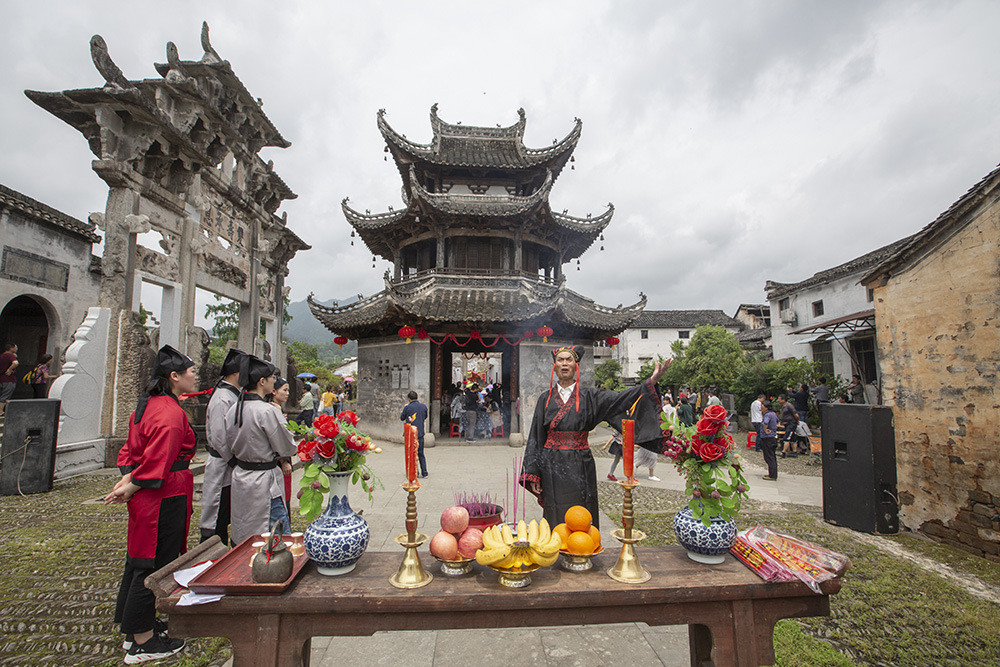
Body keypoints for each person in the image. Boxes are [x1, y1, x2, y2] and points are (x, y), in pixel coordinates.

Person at [104, 345, 196, 663]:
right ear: (174, 377)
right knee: (155, 565)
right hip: (162, 495)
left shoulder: (146, 406)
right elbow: (159, 459)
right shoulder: (170, 414)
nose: (195, 375)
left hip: (147, 495)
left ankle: (135, 629)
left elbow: (130, 452)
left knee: (138, 560)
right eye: (190, 371)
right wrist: (132, 484)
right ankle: (143, 642)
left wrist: (127, 479)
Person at [519, 346, 669, 529]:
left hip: (580, 463)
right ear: (554, 366)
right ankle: (556, 550)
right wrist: (533, 473)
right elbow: (536, 435)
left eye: (569, 360)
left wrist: (651, 382)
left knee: (582, 508)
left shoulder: (591, 396)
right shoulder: (545, 398)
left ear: (576, 365)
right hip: (551, 465)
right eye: (560, 360)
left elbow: (621, 400)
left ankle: (583, 550)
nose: (564, 363)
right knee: (554, 510)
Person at [223, 355, 297, 544]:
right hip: (264, 479)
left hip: (241, 475)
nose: (274, 381)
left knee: (244, 526)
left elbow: (227, 442)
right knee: (275, 531)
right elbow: (286, 446)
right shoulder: (267, 411)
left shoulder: (234, 408)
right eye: (271, 377)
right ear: (262, 381)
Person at [200, 348, 246, 543]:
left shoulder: (233, 395)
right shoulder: (222, 398)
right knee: (216, 517)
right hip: (222, 465)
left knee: (229, 514)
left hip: (230, 465)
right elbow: (219, 437)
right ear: (236, 373)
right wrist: (234, 461)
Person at [400, 390, 429, 478]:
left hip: (410, 434)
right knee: (421, 453)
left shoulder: (407, 407)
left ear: (409, 399)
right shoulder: (423, 406)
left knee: (412, 454)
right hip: (420, 433)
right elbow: (425, 416)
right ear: (417, 398)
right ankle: (425, 472)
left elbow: (402, 418)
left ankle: (415, 472)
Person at [759, 400, 779, 480]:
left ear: (766, 407)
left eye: (762, 406)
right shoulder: (773, 414)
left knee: (769, 457)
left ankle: (772, 475)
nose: (761, 407)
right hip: (773, 437)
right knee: (772, 456)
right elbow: (777, 421)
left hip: (767, 438)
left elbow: (765, 423)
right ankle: (772, 473)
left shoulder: (767, 415)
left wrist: (765, 429)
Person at [0, 343, 18, 415]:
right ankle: (0, 411)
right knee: (6, 395)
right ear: (11, 348)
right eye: (16, 347)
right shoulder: (10, 356)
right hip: (8, 379)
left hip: (1, 378)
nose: (16, 349)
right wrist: (10, 369)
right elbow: (15, 363)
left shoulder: (1, 356)